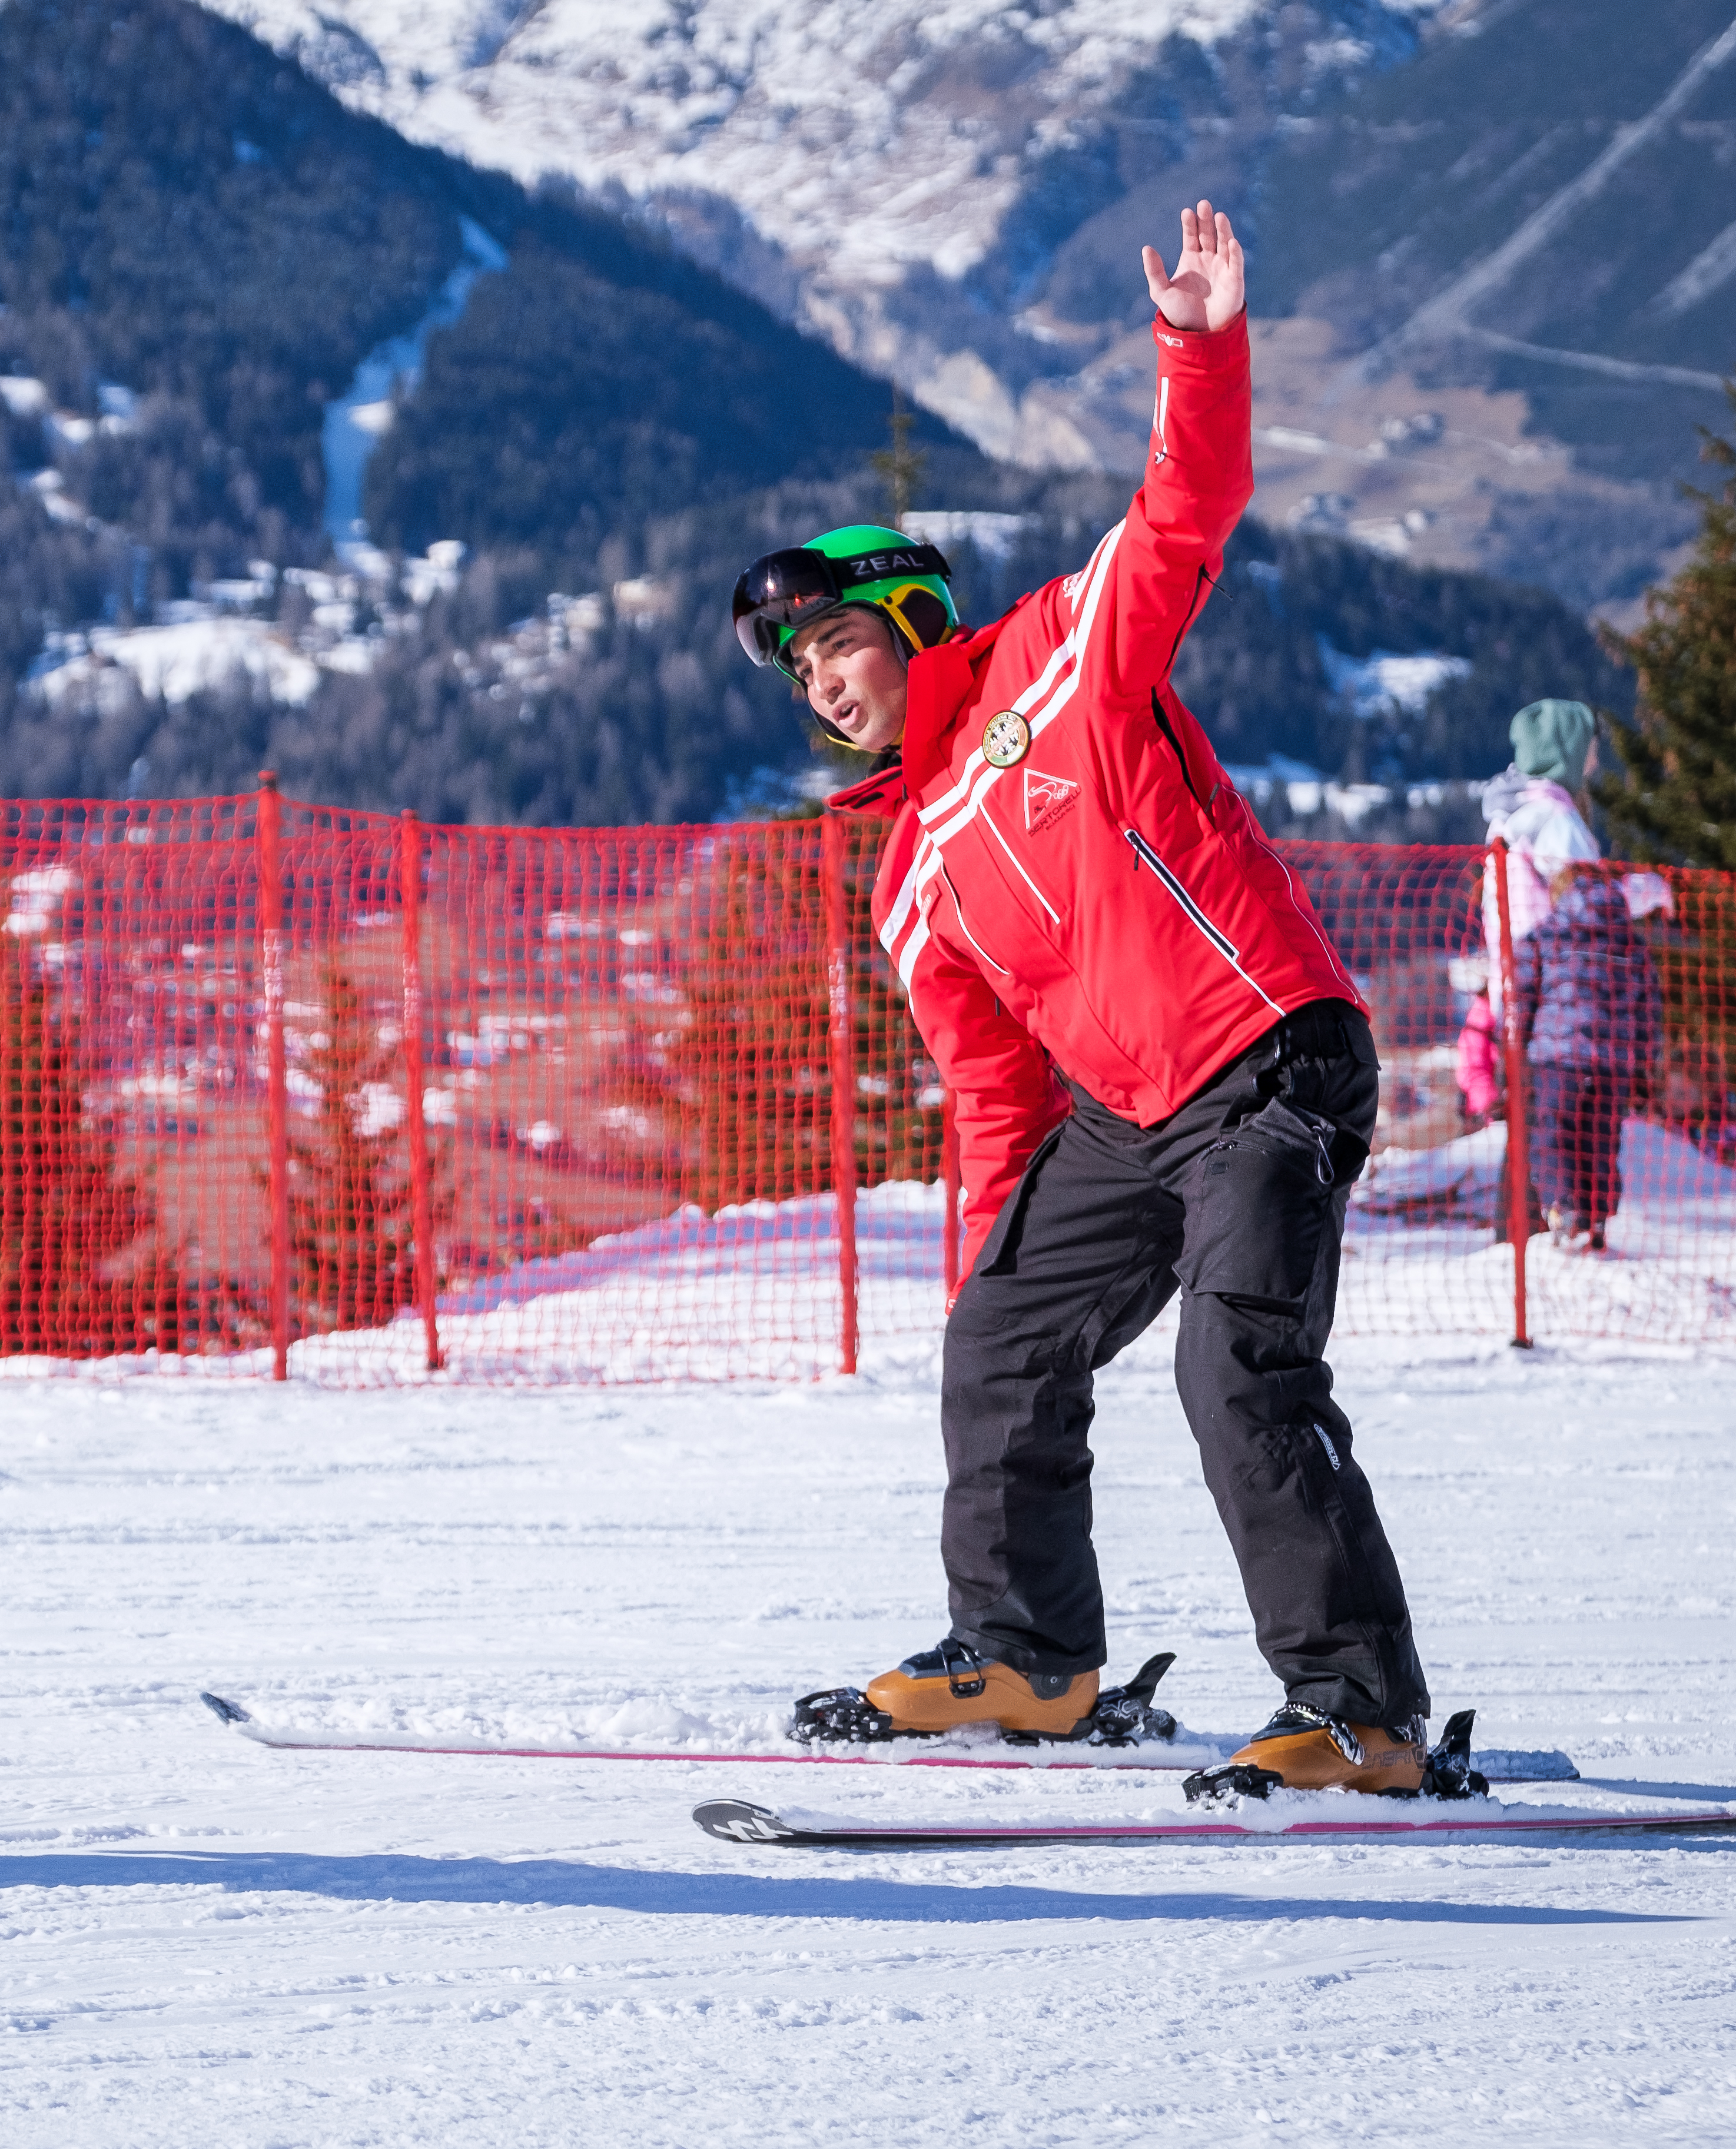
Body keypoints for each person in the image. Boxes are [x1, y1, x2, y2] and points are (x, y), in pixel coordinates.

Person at [731, 202, 1443, 1798]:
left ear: (909, 617)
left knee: (1232, 1367)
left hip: (1265, 1055)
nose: (821, 686)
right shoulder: (903, 868)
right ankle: (1025, 1655)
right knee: (996, 1336)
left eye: (833, 643)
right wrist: (993, 1267)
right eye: (796, 676)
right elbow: (991, 1096)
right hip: (1129, 1118)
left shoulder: (1062, 656)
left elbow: (1182, 511)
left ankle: (1358, 1709)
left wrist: (1195, 347)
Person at [1455, 700, 1605, 1124]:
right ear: (1567, 752)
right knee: (1559, 1125)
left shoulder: (1508, 816)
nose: (1595, 761)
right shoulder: (1557, 820)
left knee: (1532, 1125)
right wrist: (1648, 892)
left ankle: (1526, 1189)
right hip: (1560, 989)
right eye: (1590, 748)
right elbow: (1589, 897)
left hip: (1517, 985)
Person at [1509, 862, 1664, 1251]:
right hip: (1614, 1062)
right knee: (1602, 1138)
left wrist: (1510, 1053)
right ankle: (1598, 1219)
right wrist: (1644, 1060)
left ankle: (1562, 1207)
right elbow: (1649, 1008)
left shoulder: (1545, 934)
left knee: (1553, 1133)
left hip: (1557, 1056)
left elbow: (1520, 999)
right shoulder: (1632, 943)